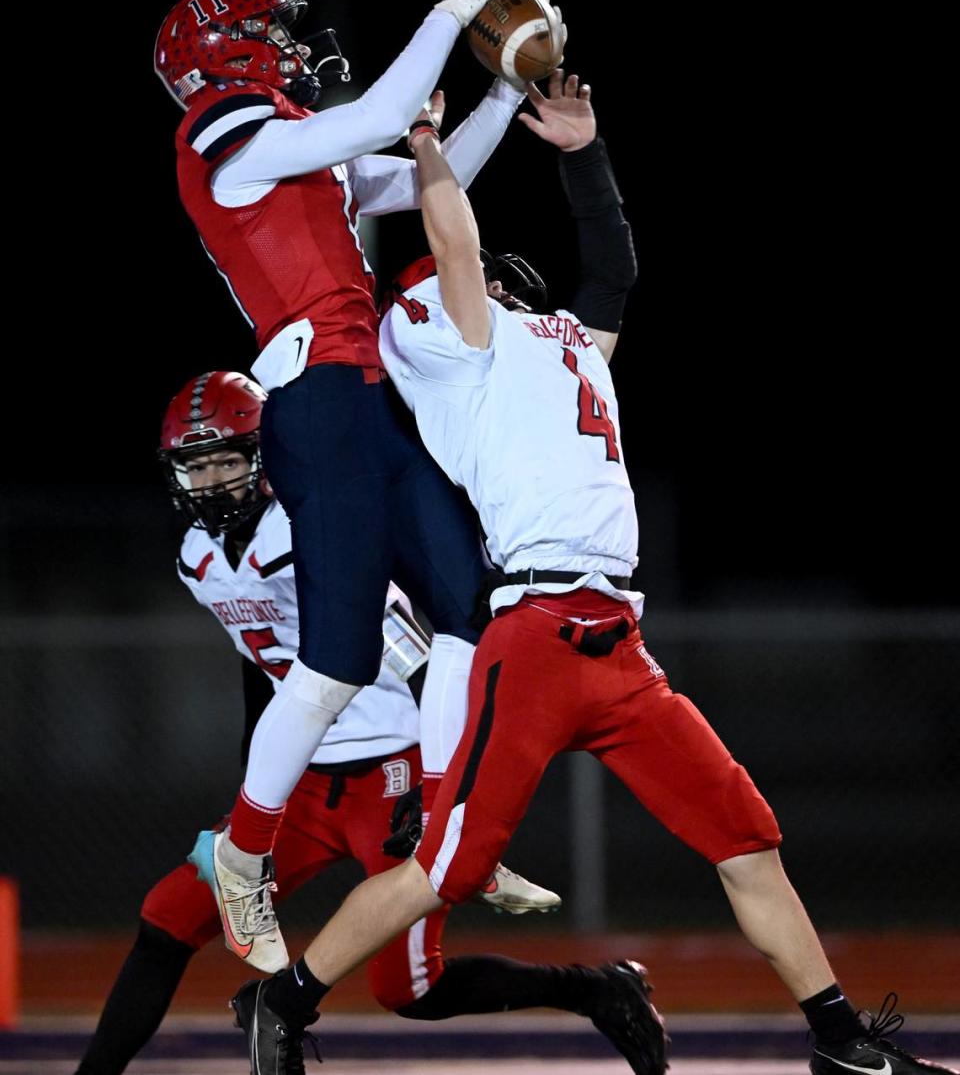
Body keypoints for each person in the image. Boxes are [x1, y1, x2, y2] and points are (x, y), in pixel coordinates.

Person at [229, 71, 957, 1075]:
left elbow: (609, 274)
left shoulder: (555, 342)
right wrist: (431, 141)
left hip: (619, 644)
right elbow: (456, 247)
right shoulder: (464, 344)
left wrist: (584, 153)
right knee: (450, 865)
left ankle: (839, 1040)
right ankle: (287, 999)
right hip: (529, 634)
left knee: (745, 835)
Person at [153, 0, 565, 968]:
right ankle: (244, 853)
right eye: (271, 32)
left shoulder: (292, 150)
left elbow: (436, 173)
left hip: (370, 390)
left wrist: (506, 89)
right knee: (334, 660)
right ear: (227, 49)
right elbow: (379, 106)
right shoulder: (226, 143)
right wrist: (449, 10)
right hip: (316, 408)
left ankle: (442, 822)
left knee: (472, 602)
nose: (294, 48)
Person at [75, 370, 650, 1075]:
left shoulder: (311, 527)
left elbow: (416, 652)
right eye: (198, 464)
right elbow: (263, 674)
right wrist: (254, 794)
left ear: (263, 456)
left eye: (229, 458)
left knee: (408, 987)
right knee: (168, 917)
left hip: (394, 769)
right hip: (309, 785)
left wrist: (437, 783)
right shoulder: (196, 558)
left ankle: (595, 989)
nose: (214, 479)